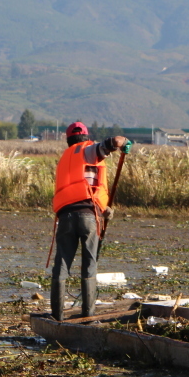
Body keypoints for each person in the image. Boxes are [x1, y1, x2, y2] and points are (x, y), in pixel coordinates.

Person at [50, 122, 129, 321]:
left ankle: (57, 317)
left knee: (61, 264)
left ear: (68, 139)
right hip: (87, 216)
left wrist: (105, 209)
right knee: (89, 265)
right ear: (86, 137)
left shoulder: (65, 158)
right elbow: (112, 143)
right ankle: (88, 316)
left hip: (65, 217)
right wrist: (124, 141)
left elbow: (86, 184)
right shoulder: (87, 150)